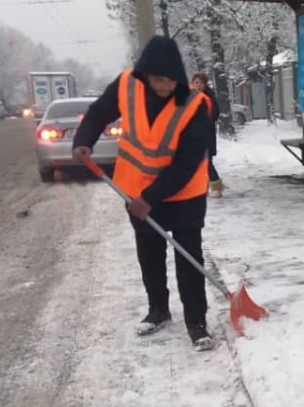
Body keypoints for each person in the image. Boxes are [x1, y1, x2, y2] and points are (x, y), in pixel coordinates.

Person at [71, 36, 216, 351]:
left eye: (170, 80)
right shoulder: (127, 85)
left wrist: (151, 197)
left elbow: (186, 162)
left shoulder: (195, 105)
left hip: (184, 194)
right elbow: (98, 113)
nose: (165, 85)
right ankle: (158, 310)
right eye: (158, 79)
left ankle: (196, 322)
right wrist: (84, 140)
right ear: (146, 74)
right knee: (149, 254)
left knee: (188, 257)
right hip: (137, 191)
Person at [190, 73, 223, 198]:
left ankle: (216, 186)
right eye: (196, 83)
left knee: (207, 162)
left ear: (205, 84)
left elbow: (214, 114)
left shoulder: (209, 97)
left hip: (206, 135)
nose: (198, 85)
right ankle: (201, 187)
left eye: (201, 83)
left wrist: (202, 122)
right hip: (192, 137)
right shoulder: (188, 97)